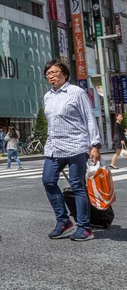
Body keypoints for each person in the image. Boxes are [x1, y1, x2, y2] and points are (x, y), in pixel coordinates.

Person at [42, 58, 101, 241]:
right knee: (48, 181)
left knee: (77, 186)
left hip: (76, 146)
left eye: (54, 72)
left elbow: (88, 118)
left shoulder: (77, 92)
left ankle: (84, 228)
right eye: (48, 74)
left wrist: (95, 145)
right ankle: (63, 220)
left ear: (65, 74)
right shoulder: (48, 96)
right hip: (54, 147)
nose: (50, 76)